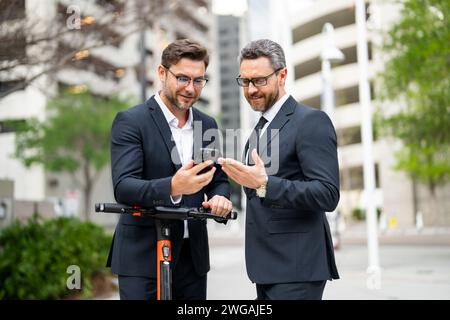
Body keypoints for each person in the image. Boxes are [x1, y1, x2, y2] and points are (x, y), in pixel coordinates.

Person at [107, 39, 232, 300]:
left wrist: (221, 196)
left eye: (198, 80)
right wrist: (173, 187)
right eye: (183, 78)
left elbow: (217, 179)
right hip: (143, 254)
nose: (190, 88)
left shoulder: (207, 124)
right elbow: (124, 186)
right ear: (162, 73)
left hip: (192, 256)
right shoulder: (131, 121)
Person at [218, 39, 340, 300]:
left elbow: (327, 194)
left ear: (282, 75)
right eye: (245, 81)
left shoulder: (311, 121)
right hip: (267, 269)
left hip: (297, 268)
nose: (251, 89)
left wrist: (264, 184)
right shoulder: (259, 130)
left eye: (259, 80)